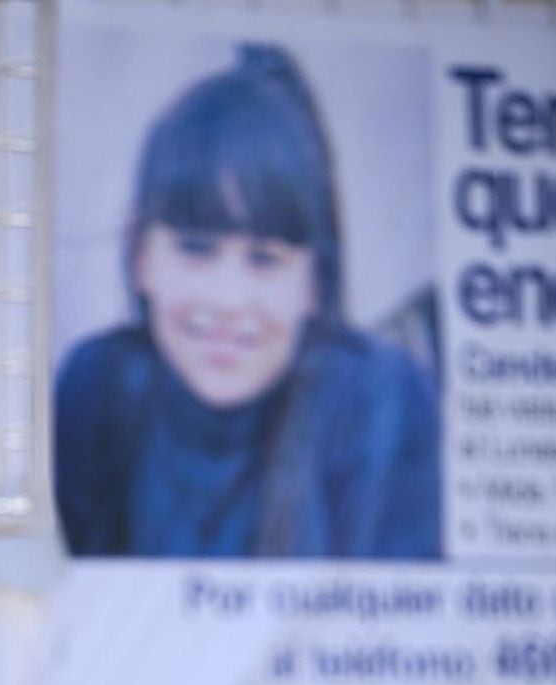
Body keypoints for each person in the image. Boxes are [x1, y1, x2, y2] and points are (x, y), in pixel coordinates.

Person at [55, 43, 441, 559]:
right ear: (142, 256)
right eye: (196, 249)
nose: (229, 299)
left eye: (265, 259)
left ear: (314, 283)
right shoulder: (97, 387)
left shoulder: (382, 400)